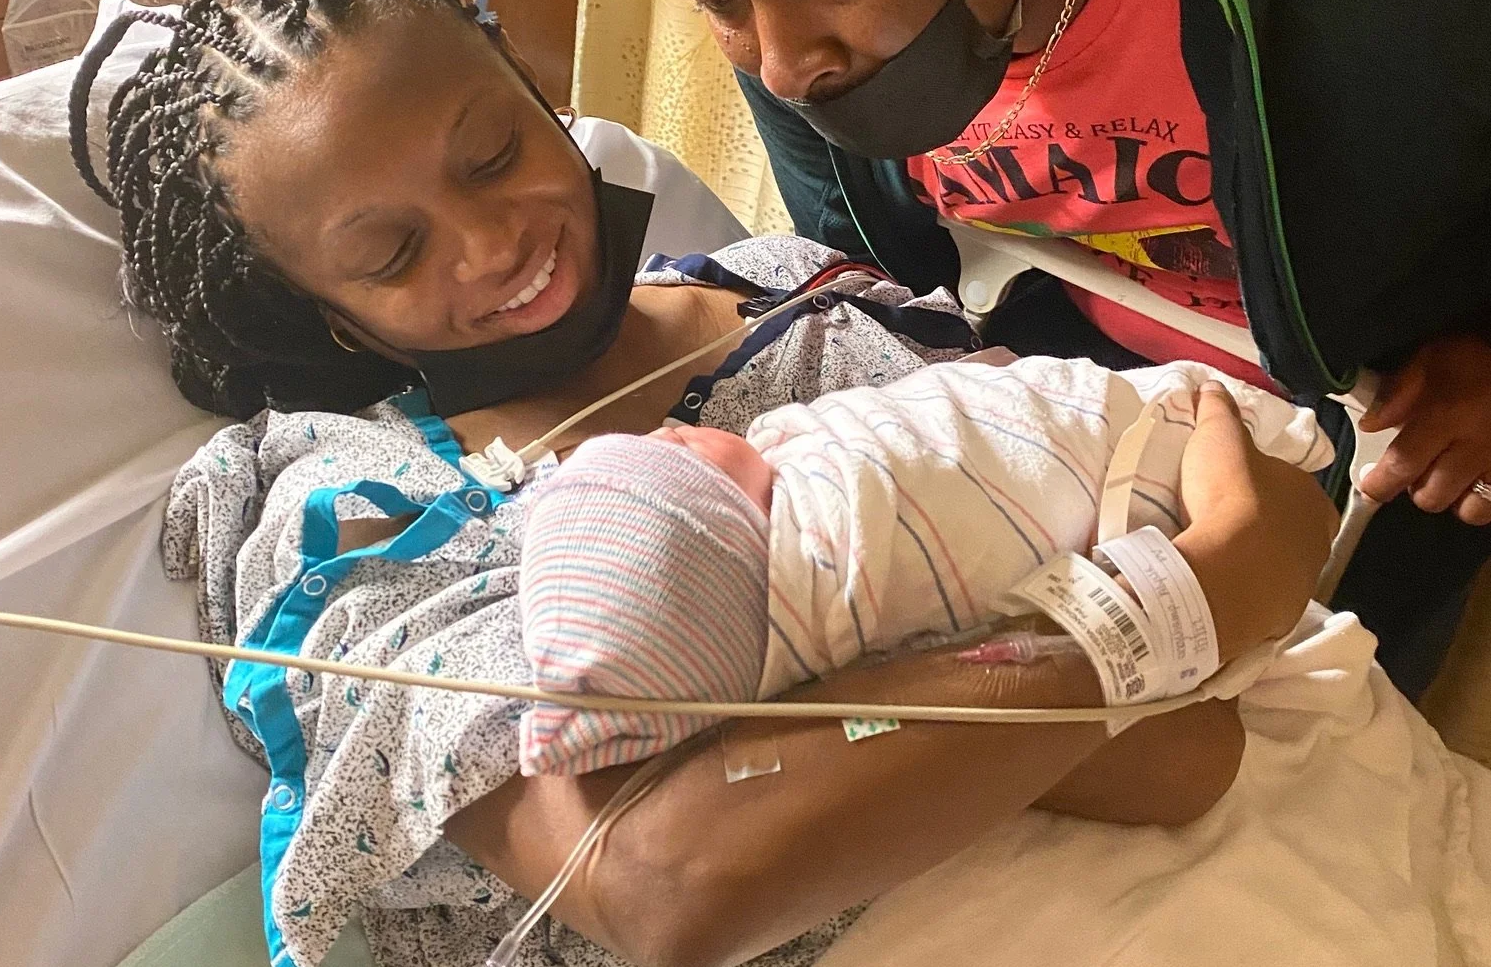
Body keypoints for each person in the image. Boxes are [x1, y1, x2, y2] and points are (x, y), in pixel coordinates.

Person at [73, 0, 1335, 967]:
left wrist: (1102, 650)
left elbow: (1209, 631)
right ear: (336, 319)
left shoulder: (807, 297)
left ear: (526, 74)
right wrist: (1143, 621)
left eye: (493, 152)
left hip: (1185, 933)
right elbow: (667, 875)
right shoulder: (368, 522)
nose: (494, 244)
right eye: (389, 251)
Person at [615, 0, 1491, 700]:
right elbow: (878, 277)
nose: (782, 64)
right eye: (718, 2)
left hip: (1376, 481)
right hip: (1061, 451)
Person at [517, 354, 1330, 775]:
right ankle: (1218, 431)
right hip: (1157, 464)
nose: (668, 431)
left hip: (1136, 498)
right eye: (679, 454)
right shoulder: (836, 547)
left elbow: (939, 427)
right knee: (1203, 422)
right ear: (741, 538)